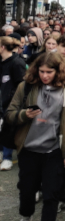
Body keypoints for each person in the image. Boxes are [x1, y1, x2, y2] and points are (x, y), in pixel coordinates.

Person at [6, 52, 65, 221]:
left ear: (59, 71)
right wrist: (25, 114)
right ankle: (25, 217)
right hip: (29, 149)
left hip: (54, 151)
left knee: (52, 193)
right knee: (26, 189)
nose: (44, 76)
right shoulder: (27, 86)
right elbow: (10, 113)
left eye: (49, 72)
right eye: (41, 71)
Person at [1, 36, 26, 171]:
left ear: (2, 47)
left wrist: (13, 101)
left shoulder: (16, 63)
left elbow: (21, 85)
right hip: (2, 101)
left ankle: (7, 158)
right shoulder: (2, 62)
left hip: (10, 104)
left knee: (8, 130)